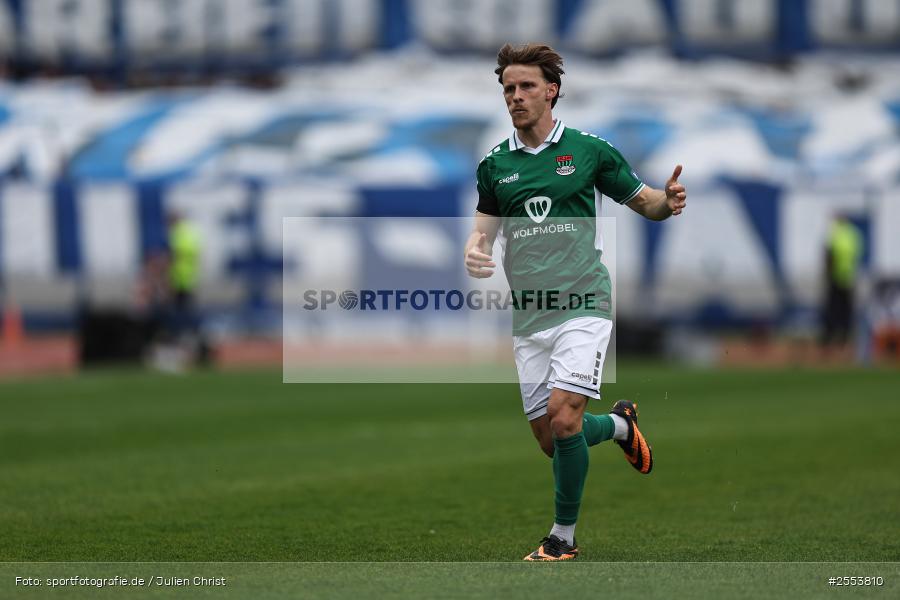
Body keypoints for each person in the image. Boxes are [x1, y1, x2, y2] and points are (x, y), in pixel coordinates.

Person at [464, 43, 687, 561]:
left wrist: (666, 202)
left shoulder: (587, 151)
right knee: (551, 439)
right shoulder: (495, 166)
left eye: (525, 87)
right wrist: (475, 250)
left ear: (552, 90)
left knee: (564, 419)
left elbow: (644, 199)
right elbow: (484, 231)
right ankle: (619, 425)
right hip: (531, 314)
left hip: (584, 301)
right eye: (508, 89)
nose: (515, 97)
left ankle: (561, 538)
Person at [820, 213, 862, 352]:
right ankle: (844, 340)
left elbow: (829, 254)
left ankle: (829, 340)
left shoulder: (836, 232)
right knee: (846, 310)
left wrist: (827, 273)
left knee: (832, 309)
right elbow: (857, 254)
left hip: (835, 277)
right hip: (848, 276)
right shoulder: (854, 234)